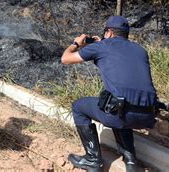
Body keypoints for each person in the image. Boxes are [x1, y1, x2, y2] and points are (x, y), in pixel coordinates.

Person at [61, 16, 157, 172]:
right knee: (121, 104)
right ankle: (131, 162)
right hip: (148, 115)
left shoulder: (101, 47)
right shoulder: (141, 50)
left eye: (105, 32)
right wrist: (103, 43)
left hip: (121, 113)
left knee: (78, 106)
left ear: (109, 32)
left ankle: (92, 160)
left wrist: (76, 43)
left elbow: (65, 59)